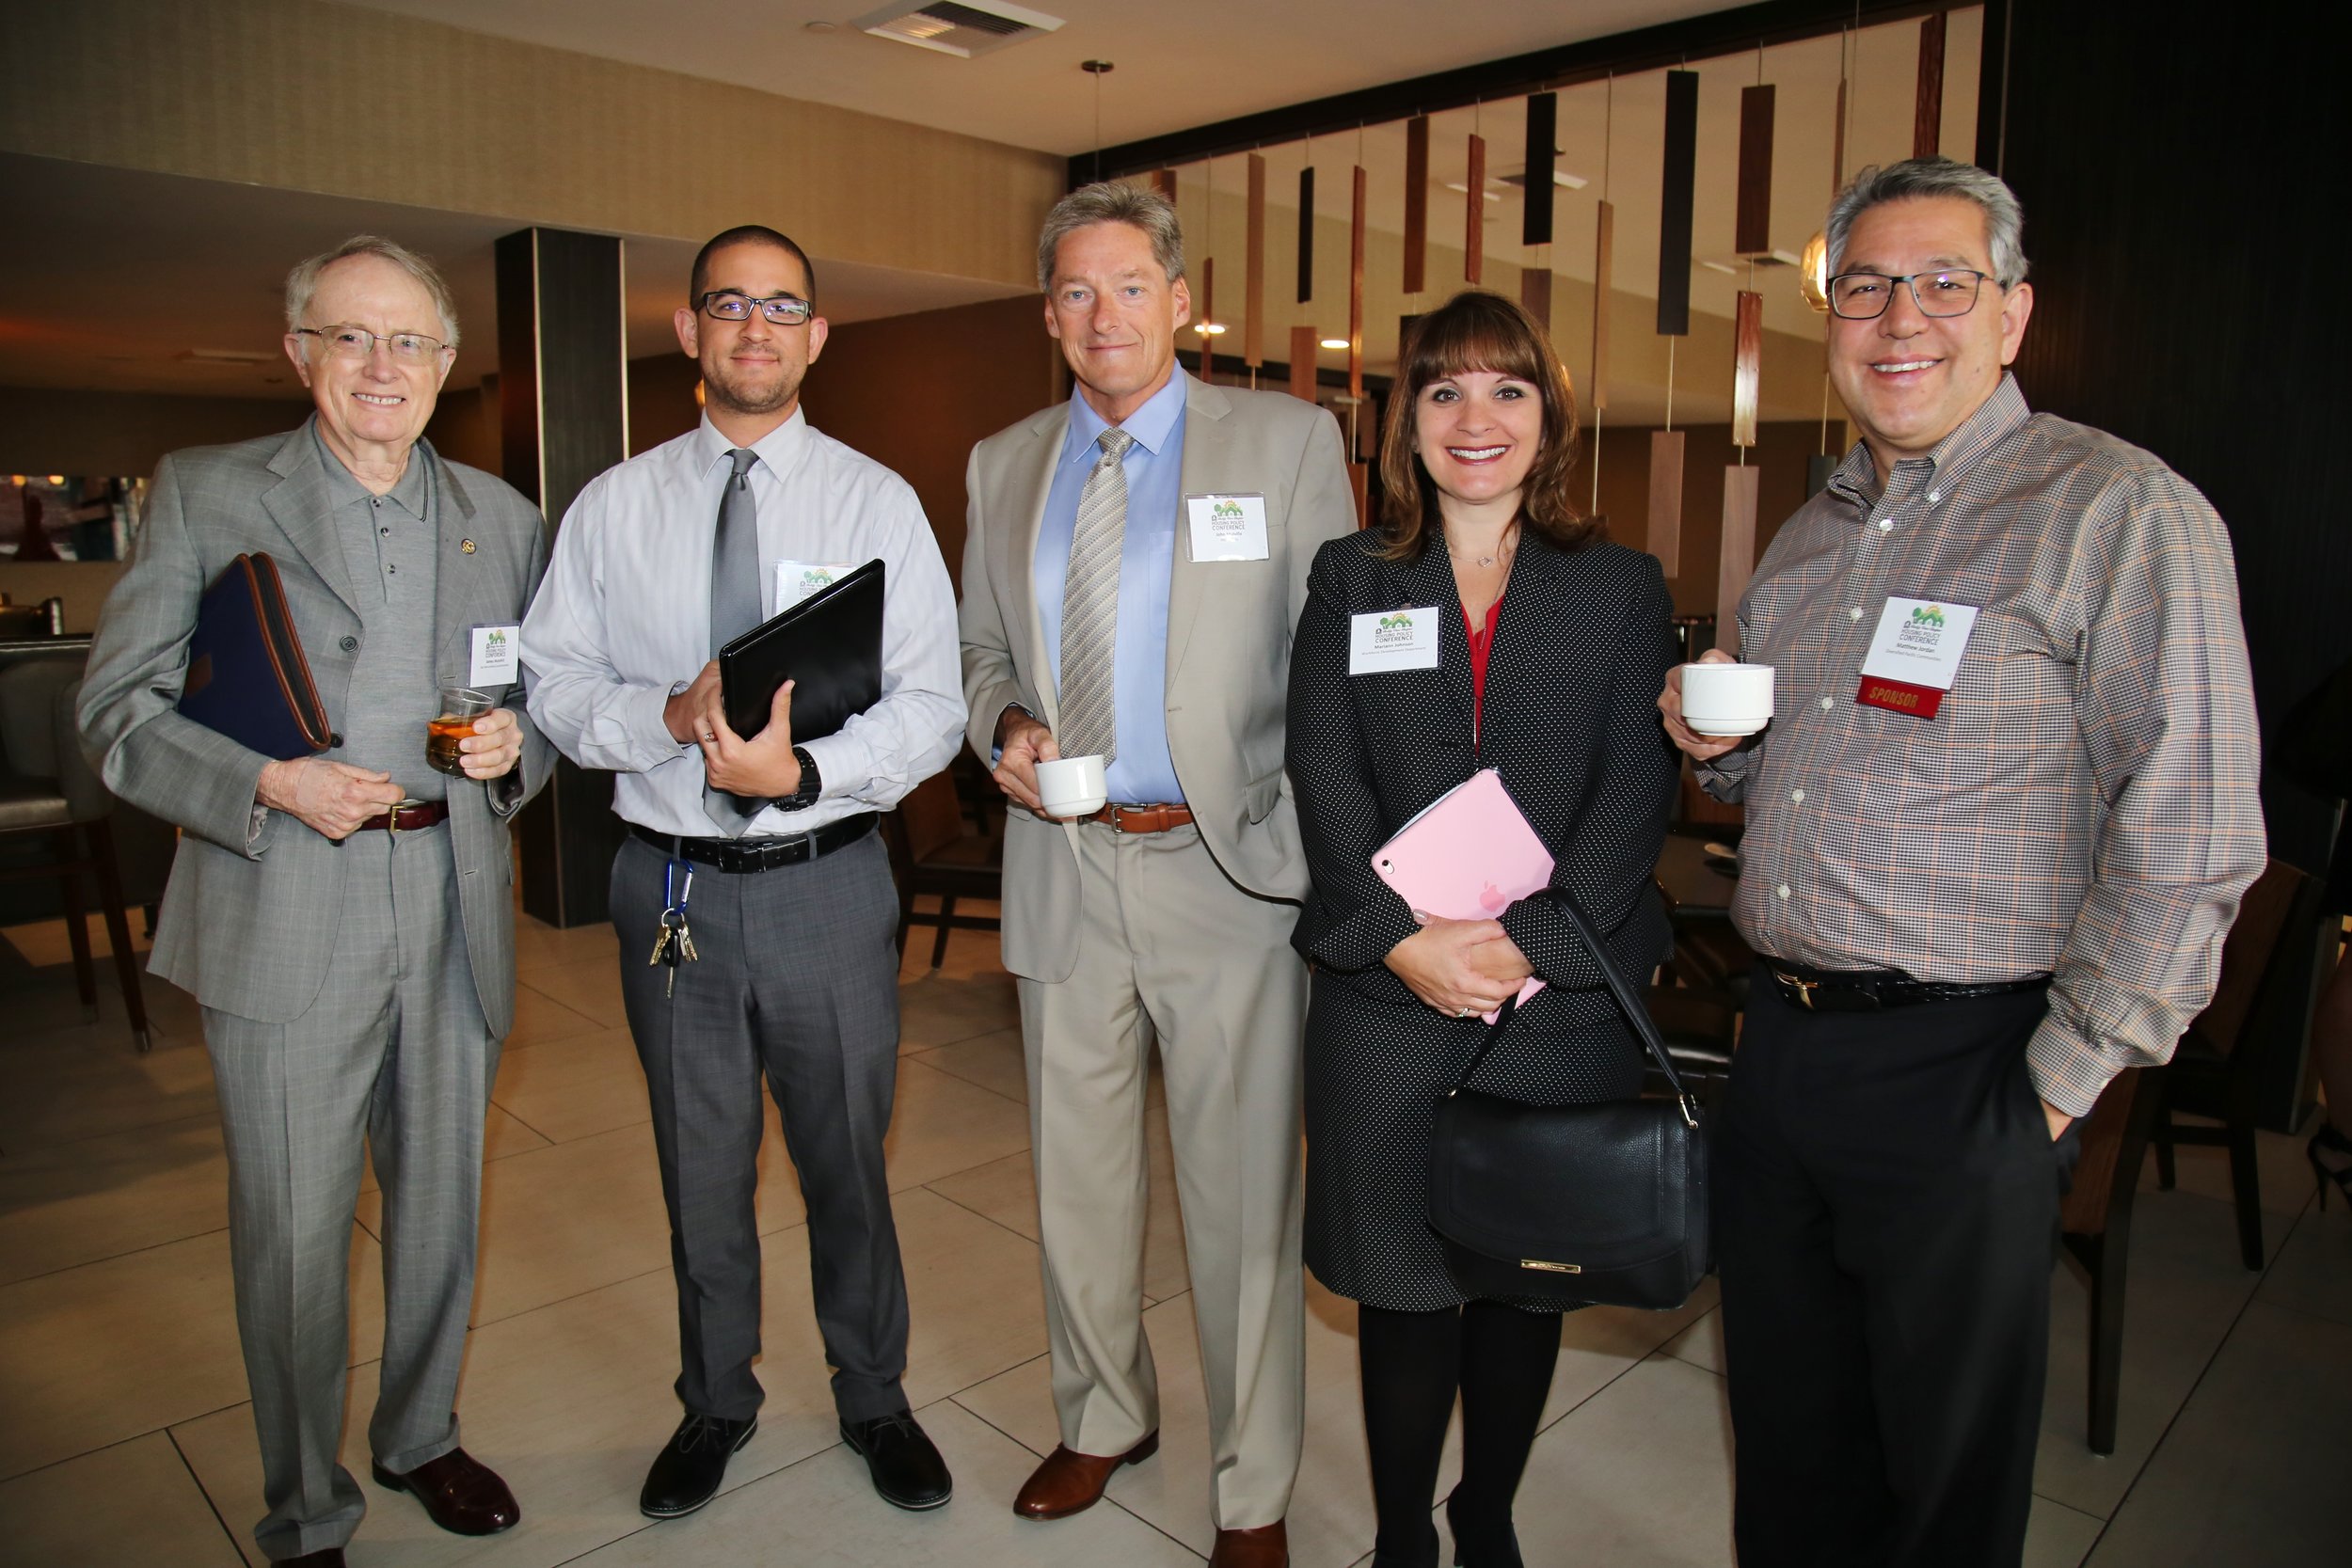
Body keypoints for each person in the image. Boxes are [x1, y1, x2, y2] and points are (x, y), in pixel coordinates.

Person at [1658, 157, 2265, 1568]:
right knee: (1794, 1449)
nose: (1899, 318)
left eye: (1945, 282)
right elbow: (1776, 775)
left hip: (1974, 1066)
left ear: (2014, 316)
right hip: (1786, 1051)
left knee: (1943, 1484)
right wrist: (1713, 742)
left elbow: (2191, 836)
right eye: (1864, 287)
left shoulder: (2117, 512)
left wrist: (2055, 1092)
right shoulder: (1813, 538)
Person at [77, 235, 550, 1568]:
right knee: (292, 1231)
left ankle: (418, 1437)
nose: (382, 366)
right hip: (288, 897)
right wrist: (270, 784)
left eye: (409, 342)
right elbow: (116, 711)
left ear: (447, 362)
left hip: (451, 895)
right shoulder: (209, 491)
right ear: (300, 354)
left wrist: (522, 752)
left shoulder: (503, 517)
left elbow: (531, 705)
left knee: (443, 1207)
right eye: (352, 337)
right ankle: (304, 1505)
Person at [519, 224, 964, 1521]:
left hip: (827, 879)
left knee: (846, 1163)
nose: (755, 329)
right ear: (689, 333)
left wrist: (810, 778)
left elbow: (930, 705)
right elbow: (555, 679)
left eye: (782, 307)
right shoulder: (614, 506)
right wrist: (661, 720)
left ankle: (873, 1396)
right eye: (729, 304)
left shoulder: (875, 501)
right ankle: (715, 1401)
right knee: (697, 1160)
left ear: (817, 335)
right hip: (671, 886)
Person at [958, 181, 1355, 1568]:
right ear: (1048, 314)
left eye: (1130, 285)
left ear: (1181, 300)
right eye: (1074, 291)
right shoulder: (1003, 463)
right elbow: (980, 655)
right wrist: (1003, 724)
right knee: (1075, 1175)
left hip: (1227, 870)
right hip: (1063, 857)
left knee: (1243, 1195)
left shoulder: (1291, 440)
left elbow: (1336, 661)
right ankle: (1104, 1413)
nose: (1102, 314)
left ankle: (1251, 1490)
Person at [1285, 291, 1679, 1568]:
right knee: (1404, 1292)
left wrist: (1533, 949)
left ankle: (1487, 1512)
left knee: (1522, 1283)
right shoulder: (1356, 576)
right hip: (1388, 998)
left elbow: (1636, 787)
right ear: (1405, 420)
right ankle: (1405, 1532)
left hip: (1553, 1007)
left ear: (1548, 419)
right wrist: (1399, 936)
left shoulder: (1616, 587)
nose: (1475, 416)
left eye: (1507, 389)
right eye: (1444, 388)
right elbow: (1324, 769)